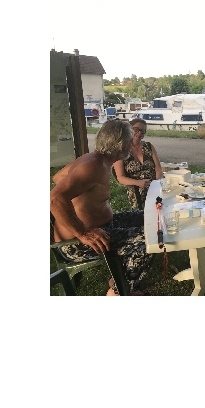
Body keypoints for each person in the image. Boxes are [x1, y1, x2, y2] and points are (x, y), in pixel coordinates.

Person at [50, 119, 155, 296]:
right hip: (76, 245)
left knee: (149, 216)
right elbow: (54, 198)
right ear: (120, 144)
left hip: (103, 225)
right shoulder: (92, 166)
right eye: (129, 140)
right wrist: (82, 233)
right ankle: (117, 293)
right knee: (150, 239)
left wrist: (82, 198)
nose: (132, 144)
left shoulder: (95, 159)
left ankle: (119, 276)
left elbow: (58, 177)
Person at [113, 118, 163, 211]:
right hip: (136, 191)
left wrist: (156, 184)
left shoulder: (148, 146)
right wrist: (138, 183)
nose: (139, 133)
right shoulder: (121, 150)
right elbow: (120, 178)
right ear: (129, 129)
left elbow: (158, 169)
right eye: (136, 129)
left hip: (154, 187)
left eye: (143, 131)